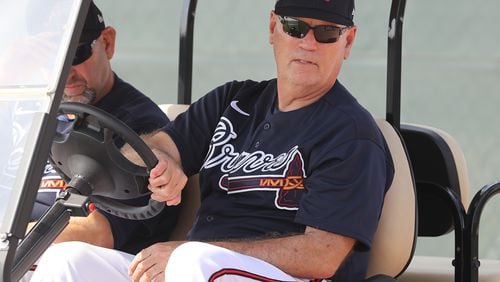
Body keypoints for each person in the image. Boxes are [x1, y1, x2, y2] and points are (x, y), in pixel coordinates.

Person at [32, 0, 394, 281]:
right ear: (273, 28)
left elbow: (324, 254)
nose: (308, 43)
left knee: (193, 260)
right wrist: (163, 163)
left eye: (327, 33)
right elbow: (156, 145)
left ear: (347, 41)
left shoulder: (351, 133)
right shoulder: (234, 101)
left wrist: (196, 252)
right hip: (202, 268)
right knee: (69, 260)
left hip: (284, 275)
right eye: (295, 28)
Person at [27, 0, 179, 278]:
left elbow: (98, 233)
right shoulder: (28, 111)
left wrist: (13, 235)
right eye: (51, 57)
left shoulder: (142, 126)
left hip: (102, 265)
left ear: (107, 43)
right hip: (25, 257)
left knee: (65, 258)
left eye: (77, 53)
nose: (65, 71)